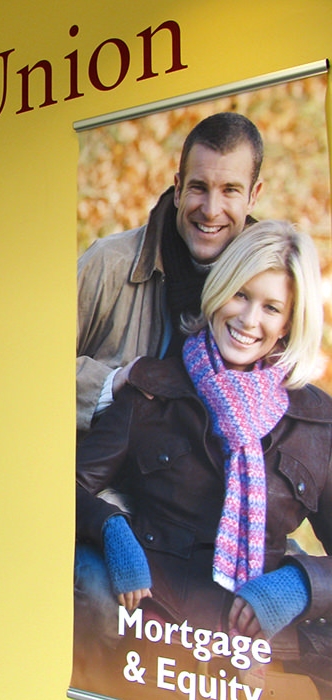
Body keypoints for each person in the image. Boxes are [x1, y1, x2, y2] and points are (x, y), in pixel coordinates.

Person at [73, 221, 332, 698]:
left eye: (271, 307)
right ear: (219, 289)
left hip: (259, 637)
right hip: (156, 624)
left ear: (288, 323)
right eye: (240, 294)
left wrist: (299, 585)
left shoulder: (316, 423)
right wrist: (112, 529)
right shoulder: (154, 388)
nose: (249, 319)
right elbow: (66, 486)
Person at [77, 112, 264, 432]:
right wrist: (112, 384)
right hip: (99, 478)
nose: (210, 209)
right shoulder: (109, 265)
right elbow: (30, 367)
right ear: (178, 188)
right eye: (199, 187)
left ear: (253, 196)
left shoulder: (273, 286)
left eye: (230, 190)